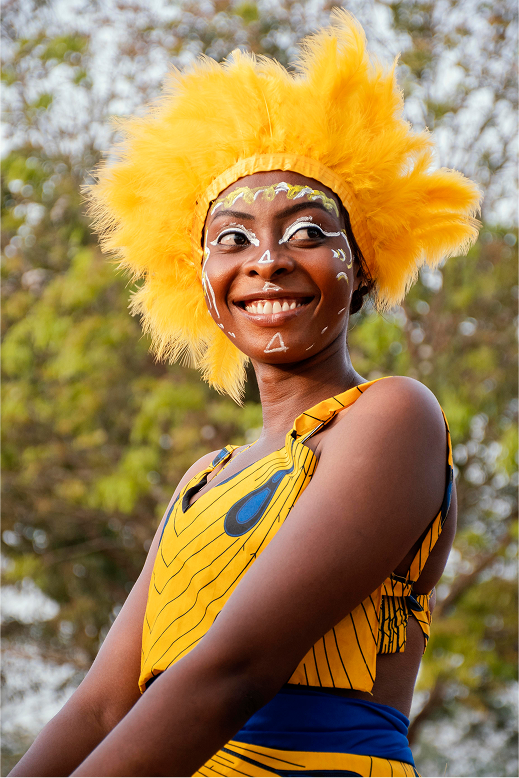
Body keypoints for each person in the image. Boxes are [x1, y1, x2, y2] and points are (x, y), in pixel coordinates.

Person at [10, 11, 481, 778]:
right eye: (232, 239)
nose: (266, 260)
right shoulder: (203, 479)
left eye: (305, 233)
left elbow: (238, 669)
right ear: (200, 284)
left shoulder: (391, 417)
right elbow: (102, 705)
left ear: (359, 266)